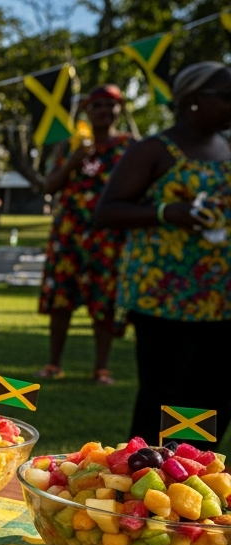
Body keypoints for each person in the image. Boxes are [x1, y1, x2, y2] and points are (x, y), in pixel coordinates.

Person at [96, 62, 231, 448]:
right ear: (192, 100)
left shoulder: (229, 146)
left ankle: (195, 475)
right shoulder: (154, 150)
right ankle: (146, 480)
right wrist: (166, 212)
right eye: (225, 96)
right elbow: (107, 211)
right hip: (164, 298)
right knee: (165, 396)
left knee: (215, 396)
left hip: (222, 297)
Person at [36, 85, 131, 386]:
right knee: (61, 299)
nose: (103, 111)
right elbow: (49, 186)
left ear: (120, 109)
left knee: (103, 300)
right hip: (69, 233)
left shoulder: (130, 146)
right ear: (86, 111)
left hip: (108, 235)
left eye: (110, 105)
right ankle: (53, 363)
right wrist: (75, 159)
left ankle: (101, 368)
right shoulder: (70, 146)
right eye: (97, 105)